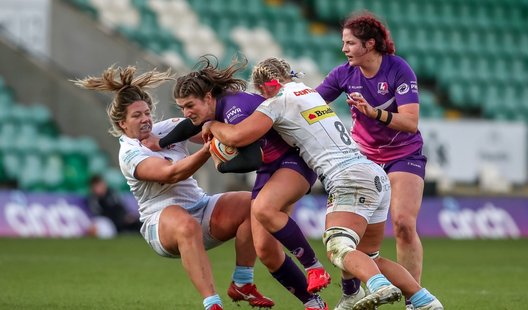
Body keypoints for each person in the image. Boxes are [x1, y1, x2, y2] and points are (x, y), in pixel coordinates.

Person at [201, 57, 443, 310]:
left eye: (260, 92)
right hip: (372, 174)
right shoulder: (310, 93)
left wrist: (213, 124)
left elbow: (239, 135)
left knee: (338, 247)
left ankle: (378, 286)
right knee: (369, 256)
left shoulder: (276, 102)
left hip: (347, 178)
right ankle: (423, 299)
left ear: (265, 87)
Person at [72, 65, 273, 310]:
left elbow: (209, 122)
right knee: (185, 224)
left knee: (253, 204)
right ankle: (213, 304)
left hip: (200, 207)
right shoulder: (129, 153)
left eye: (147, 113)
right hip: (160, 222)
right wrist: (210, 148)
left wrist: (233, 124)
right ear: (122, 124)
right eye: (136, 116)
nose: (145, 119)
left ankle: (243, 283)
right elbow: (172, 174)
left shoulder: (166, 128)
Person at [144, 55, 330, 310]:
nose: (186, 113)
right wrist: (160, 143)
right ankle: (313, 303)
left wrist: (221, 164)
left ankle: (315, 268)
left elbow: (251, 159)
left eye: (189, 105)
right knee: (265, 251)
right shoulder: (216, 110)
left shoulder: (234, 109)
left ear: (209, 98)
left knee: (263, 209)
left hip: (292, 162)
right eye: (181, 107)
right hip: (270, 168)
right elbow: (192, 124)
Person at [315, 11, 427, 309]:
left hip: (404, 154)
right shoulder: (343, 73)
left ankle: (413, 299)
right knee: (352, 234)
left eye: (350, 43)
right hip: (363, 159)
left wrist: (373, 112)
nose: (344, 48)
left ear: (370, 44)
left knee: (403, 224)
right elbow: (311, 102)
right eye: (344, 42)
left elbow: (411, 122)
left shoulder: (399, 70)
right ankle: (352, 292)